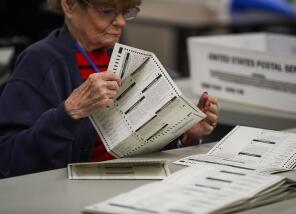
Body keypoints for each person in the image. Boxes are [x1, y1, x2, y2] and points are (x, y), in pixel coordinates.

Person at [0, 0, 219, 178]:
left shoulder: (125, 59)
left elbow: (141, 138)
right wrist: (68, 113)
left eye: (127, 11)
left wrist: (185, 134)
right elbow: (8, 161)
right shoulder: (40, 62)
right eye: (107, 11)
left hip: (134, 181)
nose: (121, 22)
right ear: (69, 5)